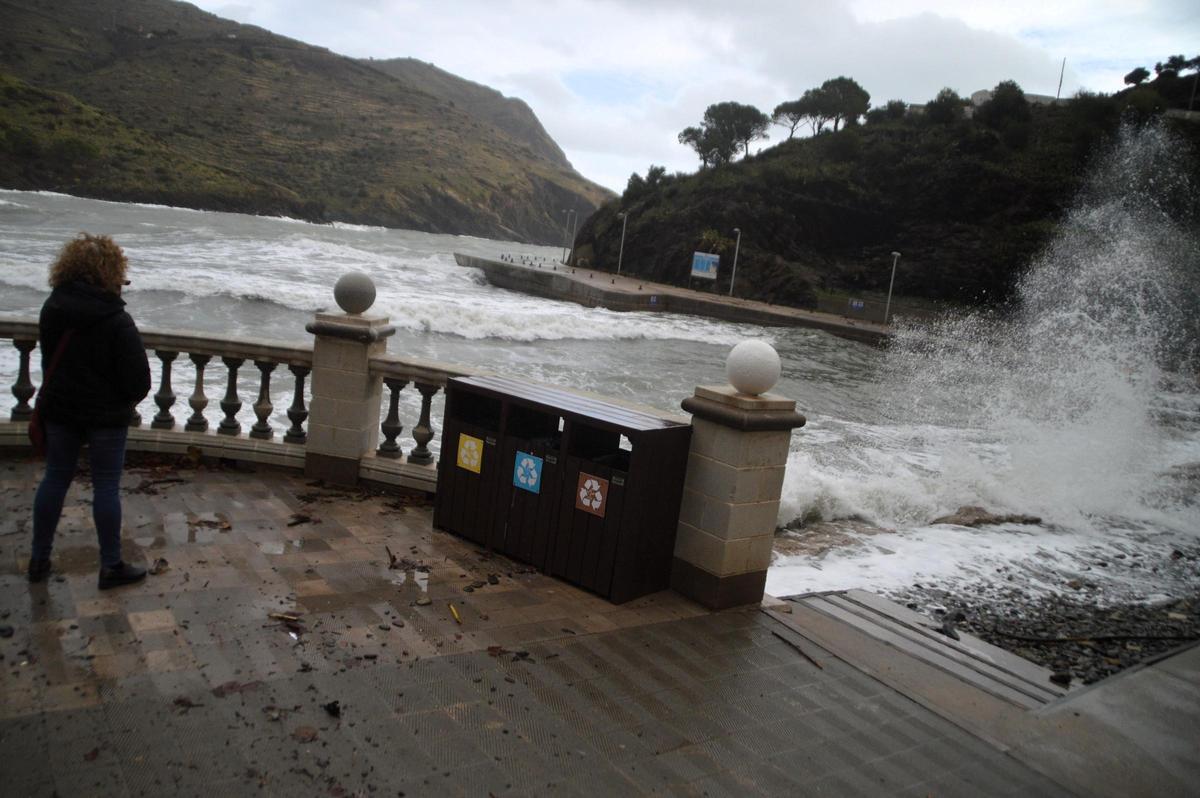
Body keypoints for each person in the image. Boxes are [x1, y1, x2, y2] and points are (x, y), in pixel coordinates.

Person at [29, 233, 151, 589]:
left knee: (55, 478)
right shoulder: (116, 319)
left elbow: (49, 358)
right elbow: (138, 380)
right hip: (106, 418)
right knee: (106, 487)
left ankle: (39, 559)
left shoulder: (53, 309)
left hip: (62, 411)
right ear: (112, 270)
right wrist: (123, 403)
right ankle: (110, 566)